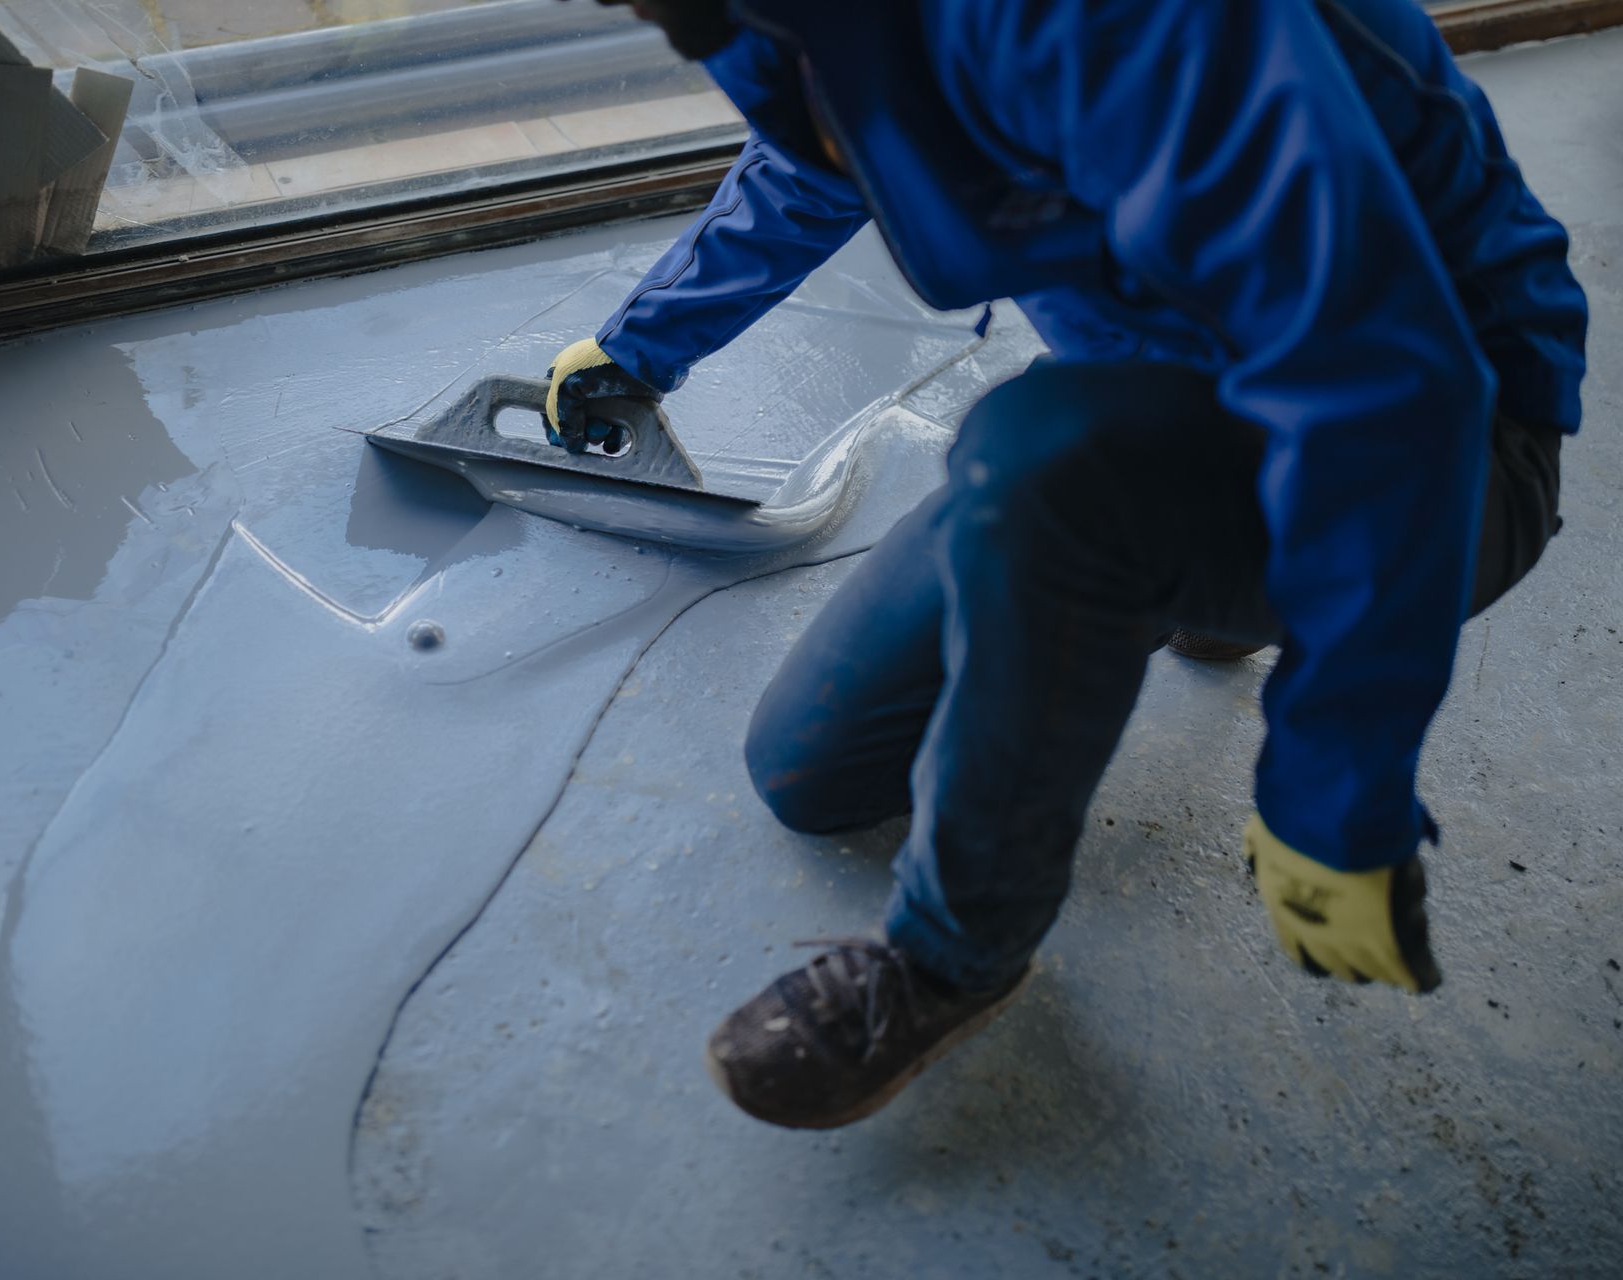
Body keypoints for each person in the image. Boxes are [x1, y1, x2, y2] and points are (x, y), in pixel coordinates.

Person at [544, 0, 1587, 1130]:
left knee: (1033, 457)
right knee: (808, 770)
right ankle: (1192, 561)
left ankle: (956, 953)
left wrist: (1336, 794)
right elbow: (830, 157)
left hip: (1447, 456)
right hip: (1172, 405)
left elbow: (1382, 393)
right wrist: (644, 342)